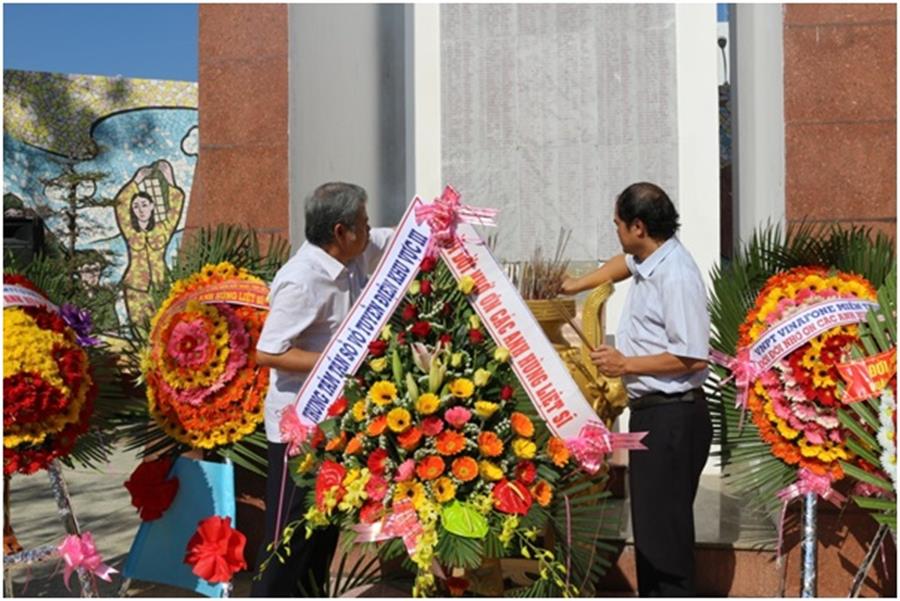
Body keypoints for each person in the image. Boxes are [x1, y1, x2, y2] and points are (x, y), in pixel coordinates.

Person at [561, 182, 712, 597]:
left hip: (673, 415)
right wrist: (576, 286)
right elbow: (622, 265)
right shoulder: (651, 258)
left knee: (665, 538)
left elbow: (693, 356)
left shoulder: (676, 275)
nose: (617, 232)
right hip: (652, 414)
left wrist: (624, 363)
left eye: (618, 224)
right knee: (650, 531)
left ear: (638, 226)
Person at [252, 182, 393, 597]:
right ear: (339, 231)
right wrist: (340, 359)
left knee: (321, 535)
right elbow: (268, 353)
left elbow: (392, 240)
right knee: (287, 541)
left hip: (334, 427)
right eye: (362, 225)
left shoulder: (352, 254)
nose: (369, 231)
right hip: (298, 429)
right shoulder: (302, 280)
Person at [114, 160, 185, 327]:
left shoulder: (162, 229)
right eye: (136, 206)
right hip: (136, 287)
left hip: (160, 284)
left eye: (144, 205)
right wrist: (136, 180)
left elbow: (176, 207)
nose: (140, 209)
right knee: (140, 328)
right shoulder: (131, 231)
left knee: (165, 326)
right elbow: (120, 204)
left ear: (152, 206)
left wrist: (169, 179)